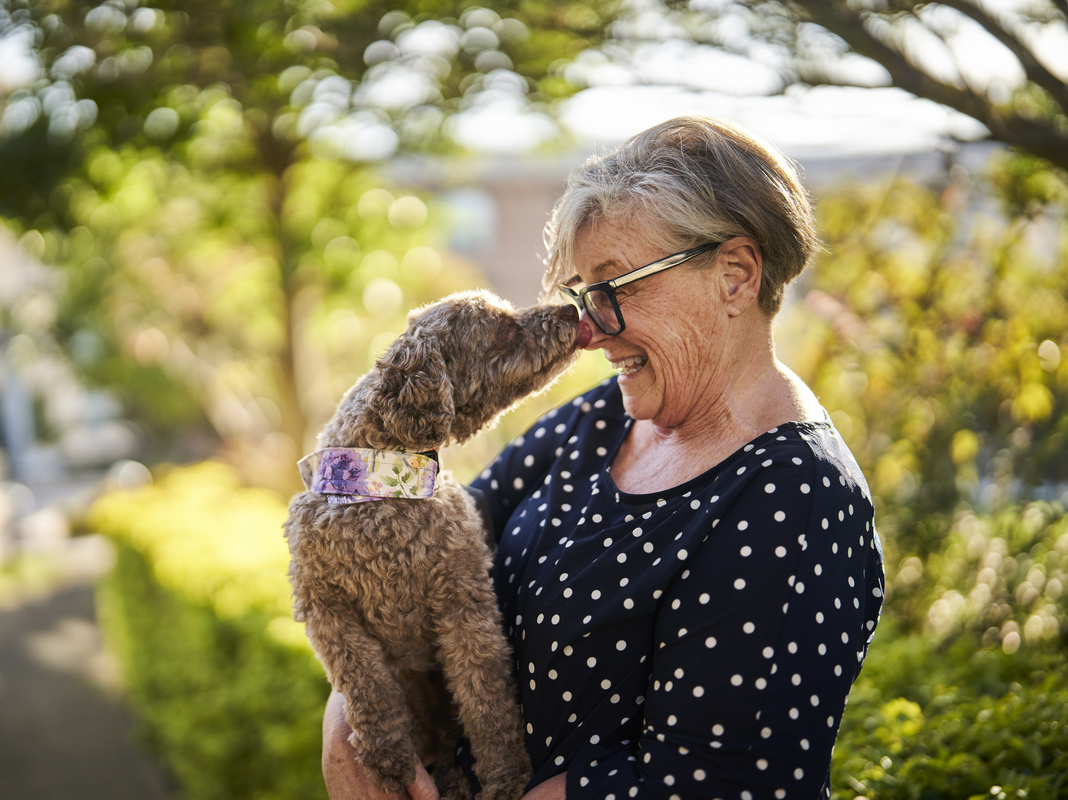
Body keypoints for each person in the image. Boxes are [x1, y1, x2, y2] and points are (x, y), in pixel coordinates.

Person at [321, 115, 885, 800]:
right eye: (584, 292)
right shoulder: (599, 419)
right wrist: (350, 709)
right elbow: (430, 546)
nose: (589, 329)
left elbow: (713, 783)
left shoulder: (798, 497)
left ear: (734, 275)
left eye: (616, 287)